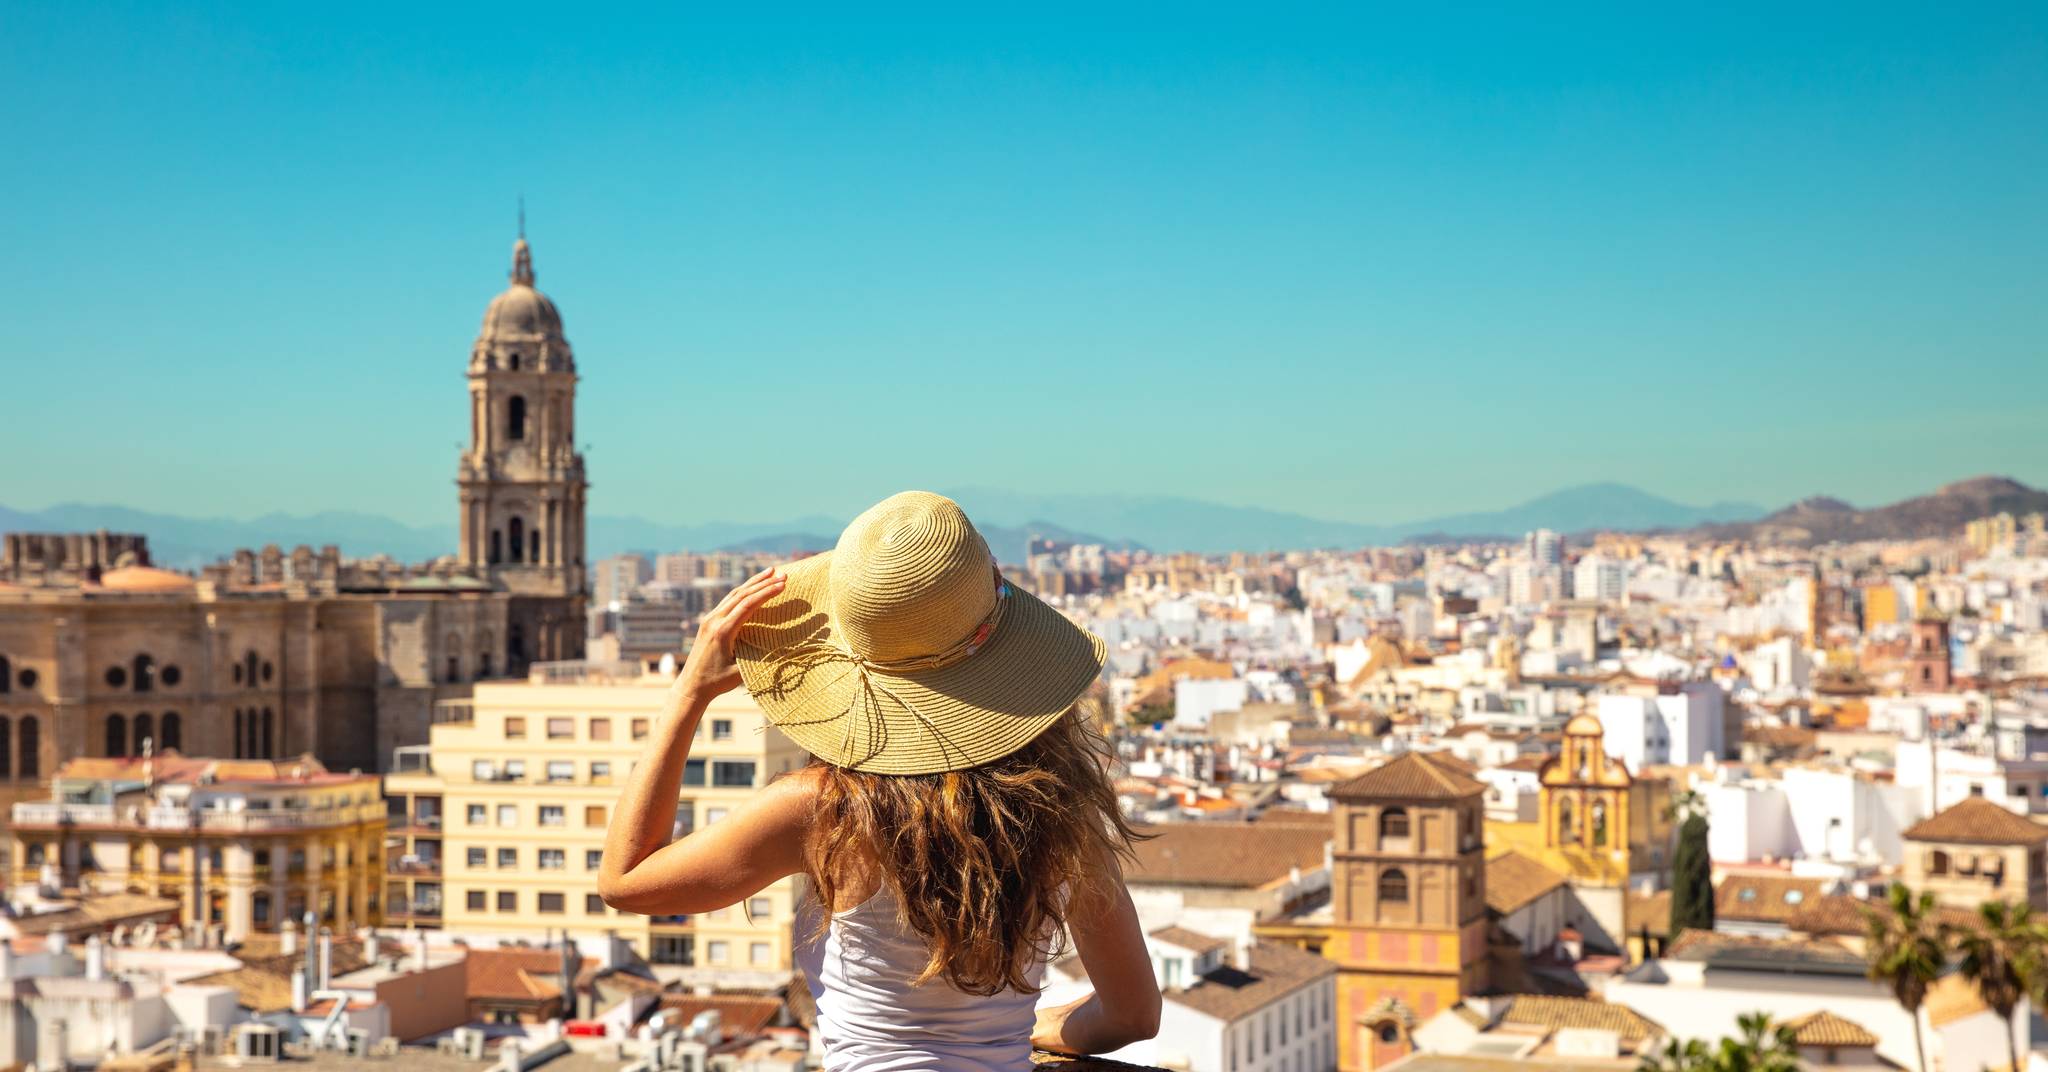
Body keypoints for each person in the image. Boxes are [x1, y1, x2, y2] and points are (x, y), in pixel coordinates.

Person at [600, 491, 1161, 1070]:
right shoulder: (1061, 811)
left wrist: (689, 691)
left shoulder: (826, 810)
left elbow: (626, 880)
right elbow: (1133, 1015)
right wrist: (1028, 1032)